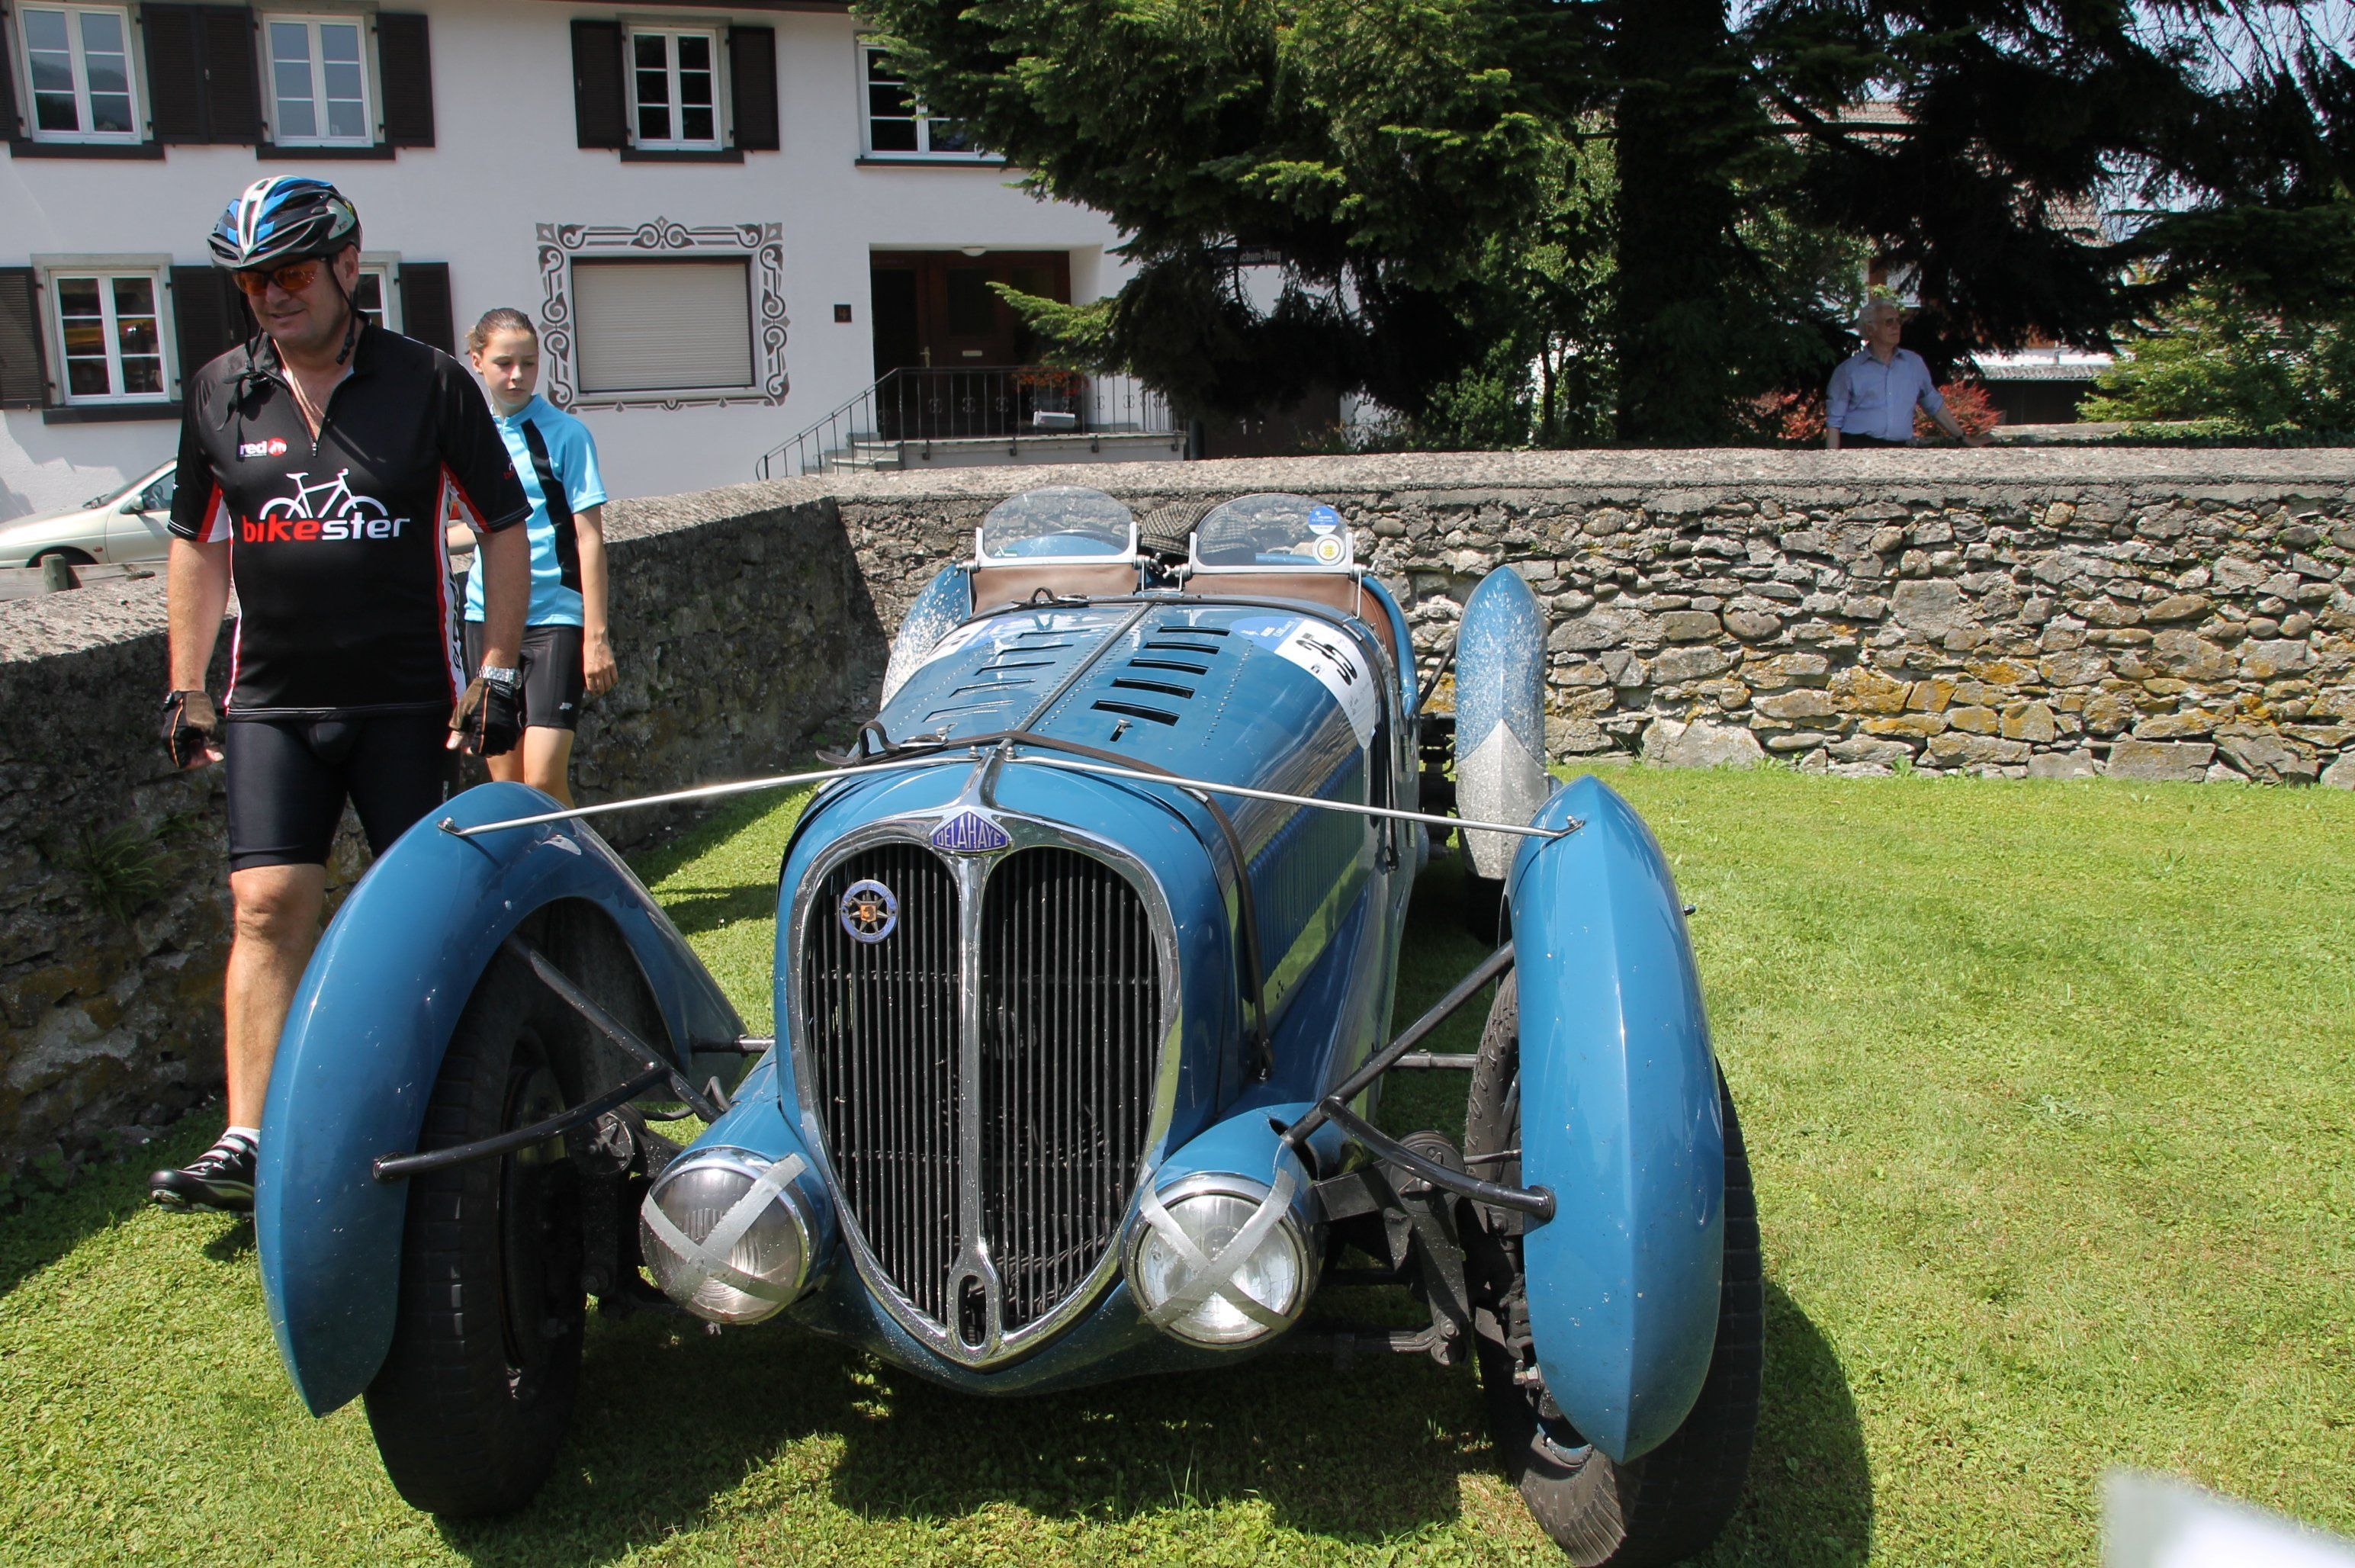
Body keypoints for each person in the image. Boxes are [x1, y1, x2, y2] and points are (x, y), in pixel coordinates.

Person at [149, 175, 532, 1213]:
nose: (270, 295)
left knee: (423, 908)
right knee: (266, 905)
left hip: (407, 699)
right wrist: (186, 686)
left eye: (289, 274)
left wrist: (498, 668)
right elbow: (198, 542)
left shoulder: (429, 381)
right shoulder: (220, 389)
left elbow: (502, 525)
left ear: (347, 266)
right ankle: (249, 1140)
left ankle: (453, 1108)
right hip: (272, 702)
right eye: (251, 282)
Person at [448, 308, 615, 805]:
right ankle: (533, 862)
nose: (517, 375)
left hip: (555, 618)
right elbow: (459, 527)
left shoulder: (566, 435)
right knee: (509, 787)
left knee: (542, 778)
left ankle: (573, 858)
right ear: (477, 360)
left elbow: (590, 539)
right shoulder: (464, 438)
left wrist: (596, 637)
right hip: (486, 619)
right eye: (504, 363)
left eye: (529, 362)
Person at [1826, 300, 1993, 449]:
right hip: (1857, 447)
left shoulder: (1913, 364)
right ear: (1870, 328)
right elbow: (1834, 422)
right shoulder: (1849, 370)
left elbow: (1934, 404)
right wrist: (1833, 464)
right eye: (1889, 322)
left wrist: (1963, 438)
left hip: (1898, 450)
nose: (1896, 326)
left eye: (1898, 321)